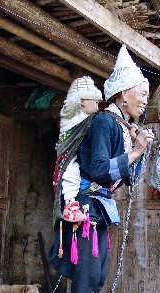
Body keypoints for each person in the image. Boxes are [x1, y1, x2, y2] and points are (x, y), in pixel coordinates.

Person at [49, 44, 154, 293]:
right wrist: (134, 152)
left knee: (97, 278)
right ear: (122, 93)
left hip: (102, 210)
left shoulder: (121, 126)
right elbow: (96, 170)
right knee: (86, 278)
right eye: (141, 90)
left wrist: (138, 151)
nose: (146, 96)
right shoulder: (105, 121)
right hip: (85, 208)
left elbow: (126, 179)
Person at [55, 76, 103, 222]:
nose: (97, 103)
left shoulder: (88, 120)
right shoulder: (75, 122)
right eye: (94, 99)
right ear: (82, 101)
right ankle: (70, 204)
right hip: (72, 163)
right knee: (71, 169)